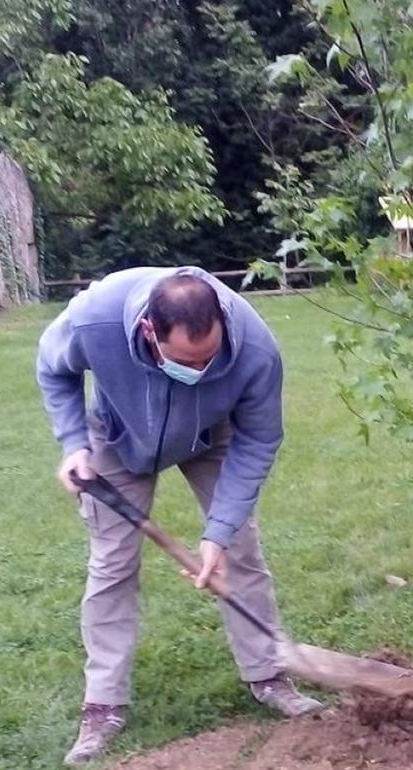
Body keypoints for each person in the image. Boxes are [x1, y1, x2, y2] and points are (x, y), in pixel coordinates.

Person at [36, 266, 322, 767]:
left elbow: (258, 440)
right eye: (188, 360)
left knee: (239, 551)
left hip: (211, 433)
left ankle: (268, 673)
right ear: (150, 330)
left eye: (211, 358)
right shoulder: (94, 319)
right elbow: (53, 369)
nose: (203, 370)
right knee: (112, 564)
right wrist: (74, 444)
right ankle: (102, 704)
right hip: (119, 436)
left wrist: (217, 533)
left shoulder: (254, 349)